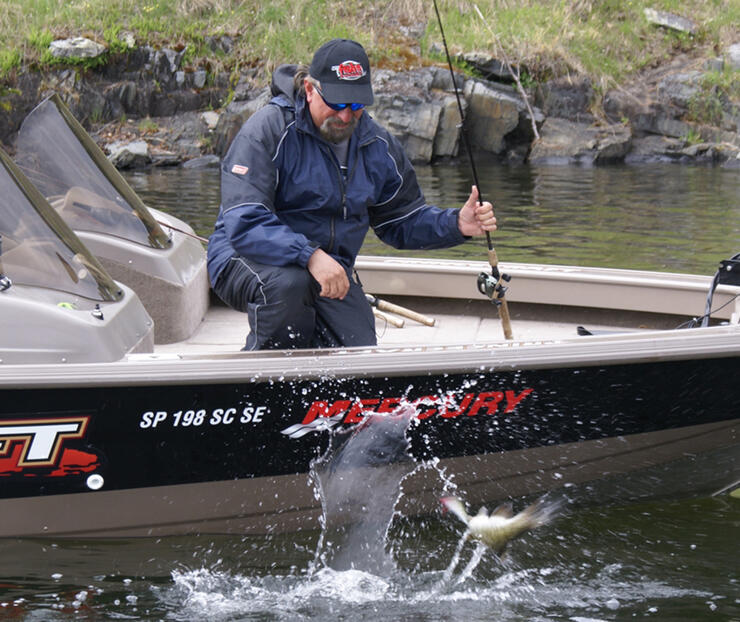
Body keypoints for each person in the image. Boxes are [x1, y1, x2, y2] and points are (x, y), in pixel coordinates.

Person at [207, 38, 496, 350]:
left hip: (327, 268)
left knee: (358, 346)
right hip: (241, 256)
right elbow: (245, 221)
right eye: (337, 103)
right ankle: (261, 383)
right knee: (288, 285)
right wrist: (310, 255)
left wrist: (458, 224)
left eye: (356, 105)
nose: (346, 116)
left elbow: (401, 221)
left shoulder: (378, 147)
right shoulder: (267, 130)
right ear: (309, 89)